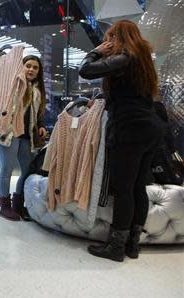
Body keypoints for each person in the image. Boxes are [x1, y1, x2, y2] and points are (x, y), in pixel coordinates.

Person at [79, 20, 164, 262]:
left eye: (111, 37)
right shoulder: (143, 59)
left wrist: (96, 52)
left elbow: (85, 71)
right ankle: (132, 245)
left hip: (130, 129)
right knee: (138, 187)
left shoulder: (124, 57)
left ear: (117, 37)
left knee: (124, 189)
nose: (109, 42)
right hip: (150, 128)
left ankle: (116, 248)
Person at [0, 50, 47, 221]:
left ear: (39, 71)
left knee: (27, 171)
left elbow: (37, 113)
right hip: (9, 132)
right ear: (21, 67)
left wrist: (42, 125)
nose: (31, 69)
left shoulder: (37, 90)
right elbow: (2, 70)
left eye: (35, 67)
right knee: (6, 169)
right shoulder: (13, 83)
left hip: (26, 135)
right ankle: (4, 206)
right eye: (28, 66)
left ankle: (18, 203)